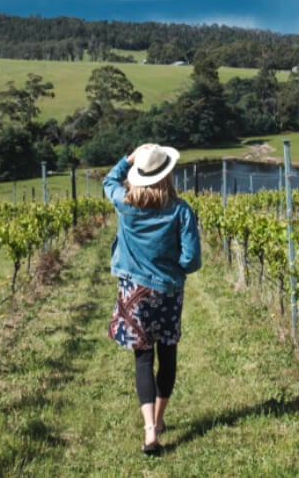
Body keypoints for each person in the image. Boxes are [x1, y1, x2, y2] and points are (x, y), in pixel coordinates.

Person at [104, 142, 202, 455]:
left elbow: (108, 181)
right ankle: (159, 419)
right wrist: (174, 267)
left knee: (143, 357)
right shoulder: (181, 210)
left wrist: (128, 157)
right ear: (167, 175)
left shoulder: (125, 202)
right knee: (168, 354)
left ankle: (149, 430)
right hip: (169, 291)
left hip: (134, 292)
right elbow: (193, 260)